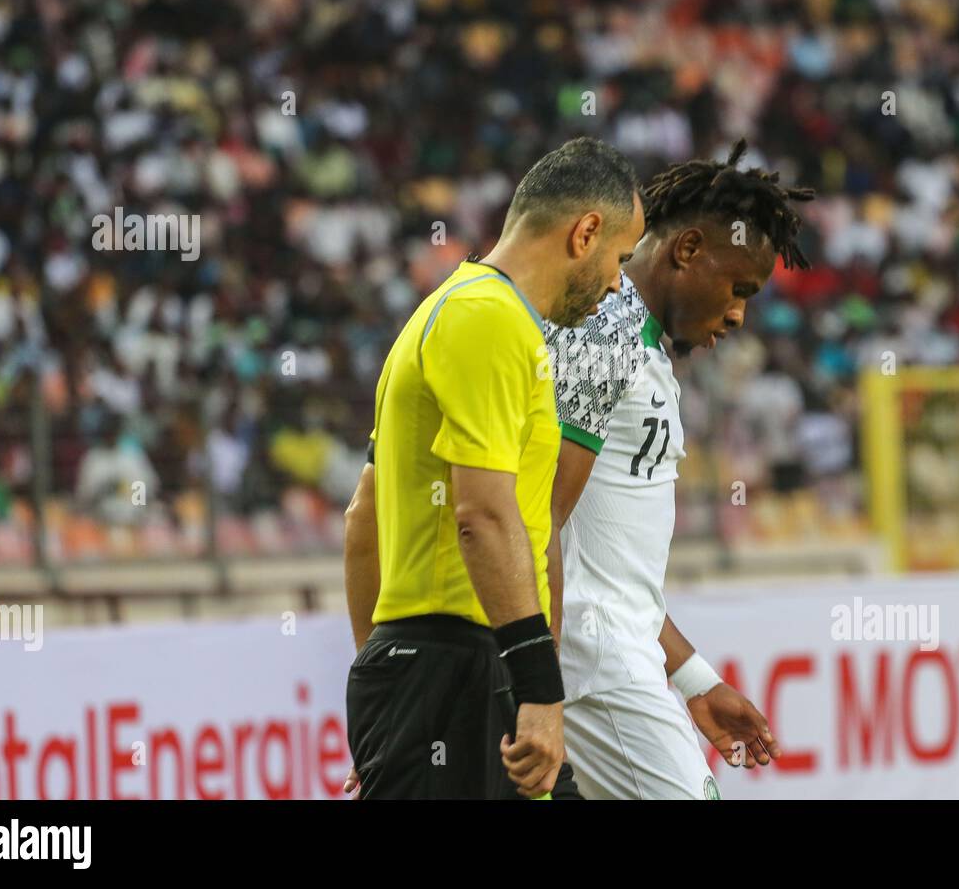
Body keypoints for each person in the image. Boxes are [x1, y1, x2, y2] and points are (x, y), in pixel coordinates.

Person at [343, 137, 644, 799]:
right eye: (620, 258)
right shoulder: (489, 321)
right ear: (585, 232)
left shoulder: (448, 314)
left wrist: (384, 688)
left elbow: (364, 517)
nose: (620, 281)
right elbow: (482, 513)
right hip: (462, 672)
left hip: (450, 675)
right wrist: (538, 687)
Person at [544, 141, 812, 798]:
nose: (740, 313)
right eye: (738, 288)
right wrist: (535, 685)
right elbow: (536, 518)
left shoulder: (641, 350)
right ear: (687, 250)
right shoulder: (600, 337)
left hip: (610, 661)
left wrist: (694, 680)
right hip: (588, 667)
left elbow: (610, 570)